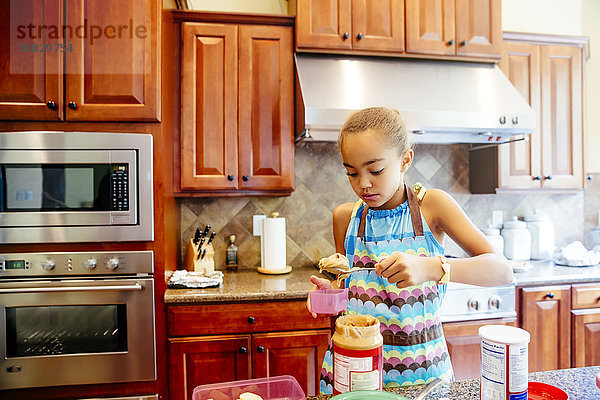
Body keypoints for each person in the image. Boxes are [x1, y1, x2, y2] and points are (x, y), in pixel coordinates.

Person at [308, 107, 513, 394]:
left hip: (423, 372)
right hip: (354, 370)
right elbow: (355, 293)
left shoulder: (433, 206)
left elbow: (502, 270)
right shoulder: (346, 218)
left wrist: (430, 267)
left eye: (376, 170)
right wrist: (331, 293)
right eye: (351, 172)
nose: (363, 184)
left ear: (405, 160)